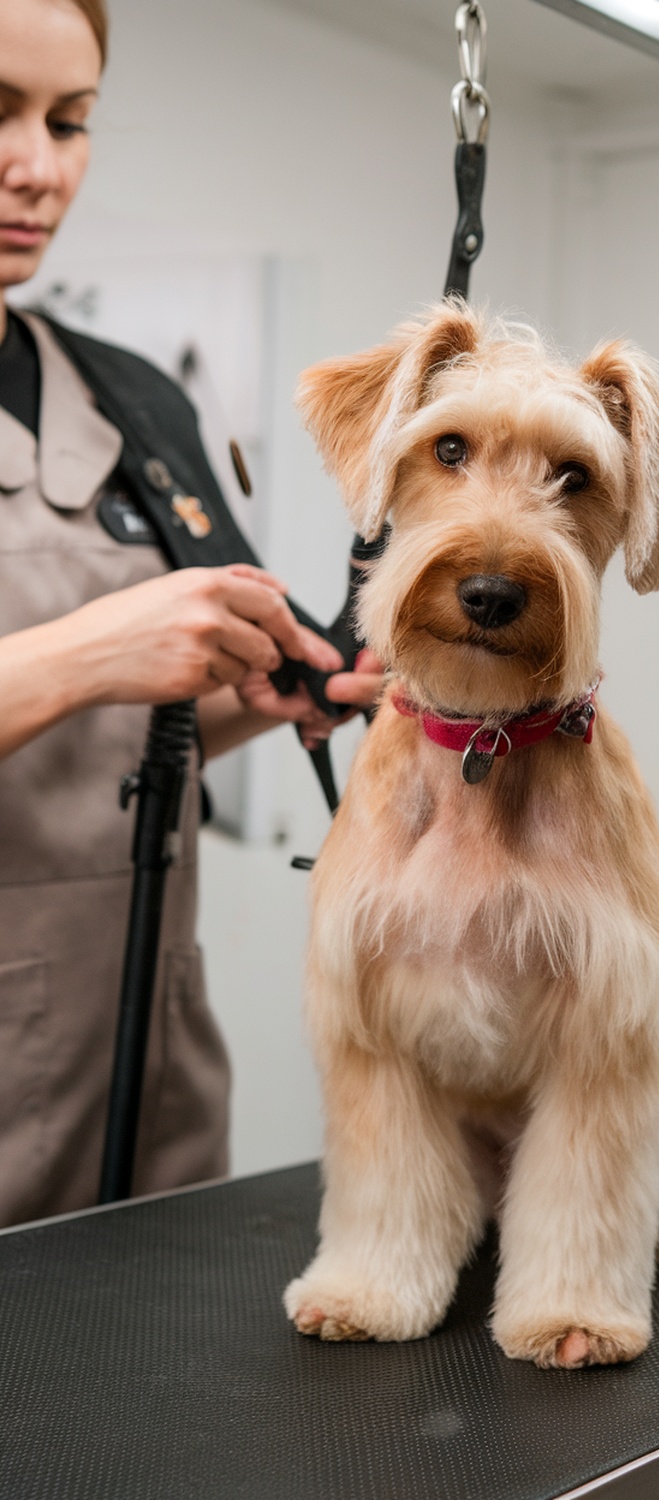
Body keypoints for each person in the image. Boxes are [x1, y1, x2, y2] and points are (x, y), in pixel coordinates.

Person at [0, 0, 382, 1226]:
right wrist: (81, 654)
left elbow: (125, 736)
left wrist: (252, 701)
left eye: (71, 122)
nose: (39, 168)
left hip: (144, 1060)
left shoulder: (129, 403)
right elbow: (85, 673)